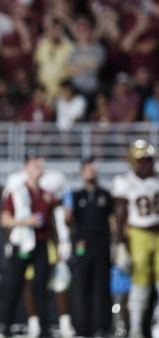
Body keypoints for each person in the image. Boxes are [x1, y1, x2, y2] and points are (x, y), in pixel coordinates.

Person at [0, 151, 59, 337]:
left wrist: (57, 245)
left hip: (41, 244)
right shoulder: (17, 192)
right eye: (34, 165)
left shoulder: (47, 195)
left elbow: (53, 223)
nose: (38, 168)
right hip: (23, 244)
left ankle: (44, 328)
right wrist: (26, 222)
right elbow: (4, 220)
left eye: (39, 165)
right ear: (26, 168)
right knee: (15, 286)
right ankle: (7, 326)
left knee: (41, 287)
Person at [112, 140, 159, 338]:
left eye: (148, 160)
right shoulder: (125, 181)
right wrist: (121, 244)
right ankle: (136, 328)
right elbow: (120, 215)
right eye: (141, 160)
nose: (145, 164)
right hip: (138, 233)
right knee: (140, 284)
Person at [65, 156, 114, 337]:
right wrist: (67, 213)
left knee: (101, 288)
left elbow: (112, 222)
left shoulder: (105, 195)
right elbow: (69, 221)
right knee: (82, 287)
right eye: (87, 169)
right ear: (82, 172)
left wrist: (117, 246)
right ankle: (82, 327)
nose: (91, 172)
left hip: (101, 246)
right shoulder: (77, 196)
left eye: (93, 168)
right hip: (82, 247)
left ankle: (101, 326)